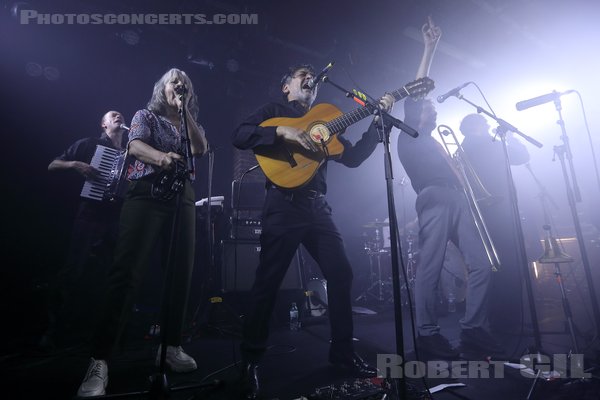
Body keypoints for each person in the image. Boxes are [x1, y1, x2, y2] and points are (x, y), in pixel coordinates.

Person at [232, 64, 393, 398]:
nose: (310, 79)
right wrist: (282, 133)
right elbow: (239, 135)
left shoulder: (325, 117)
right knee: (268, 282)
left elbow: (351, 158)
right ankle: (249, 363)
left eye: (312, 78)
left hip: (318, 207)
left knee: (341, 273)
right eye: (301, 74)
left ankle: (343, 355)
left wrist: (377, 125)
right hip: (283, 203)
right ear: (286, 87)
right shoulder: (275, 112)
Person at [76, 68, 208, 397]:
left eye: (185, 83)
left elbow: (201, 149)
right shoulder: (145, 115)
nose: (180, 84)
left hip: (183, 196)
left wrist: (186, 111)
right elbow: (134, 146)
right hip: (146, 192)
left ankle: (171, 346)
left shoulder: (188, 118)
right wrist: (161, 157)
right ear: (160, 88)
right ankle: (100, 360)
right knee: (126, 273)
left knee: (181, 273)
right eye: (174, 81)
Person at [398, 19, 503, 358]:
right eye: (428, 106)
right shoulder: (410, 132)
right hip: (434, 196)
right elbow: (419, 87)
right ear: (415, 113)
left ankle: (473, 329)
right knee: (430, 266)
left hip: (458, 198)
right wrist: (430, 48)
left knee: (483, 264)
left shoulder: (434, 141)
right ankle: (428, 335)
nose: (433, 106)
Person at [43, 111, 127, 347]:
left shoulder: (132, 151)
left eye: (121, 114)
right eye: (112, 115)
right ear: (103, 124)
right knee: (74, 269)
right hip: (91, 213)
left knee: (113, 274)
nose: (118, 115)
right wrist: (75, 163)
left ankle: (103, 331)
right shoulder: (90, 144)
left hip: (118, 217)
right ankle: (54, 329)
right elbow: (53, 165)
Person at [459, 113, 530, 332]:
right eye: (485, 123)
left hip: (481, 213)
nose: (489, 126)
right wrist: (509, 137)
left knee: (492, 265)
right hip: (499, 211)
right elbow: (522, 156)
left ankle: (495, 317)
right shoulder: (488, 145)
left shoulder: (462, 148)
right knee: (509, 263)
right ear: (475, 127)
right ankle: (509, 318)